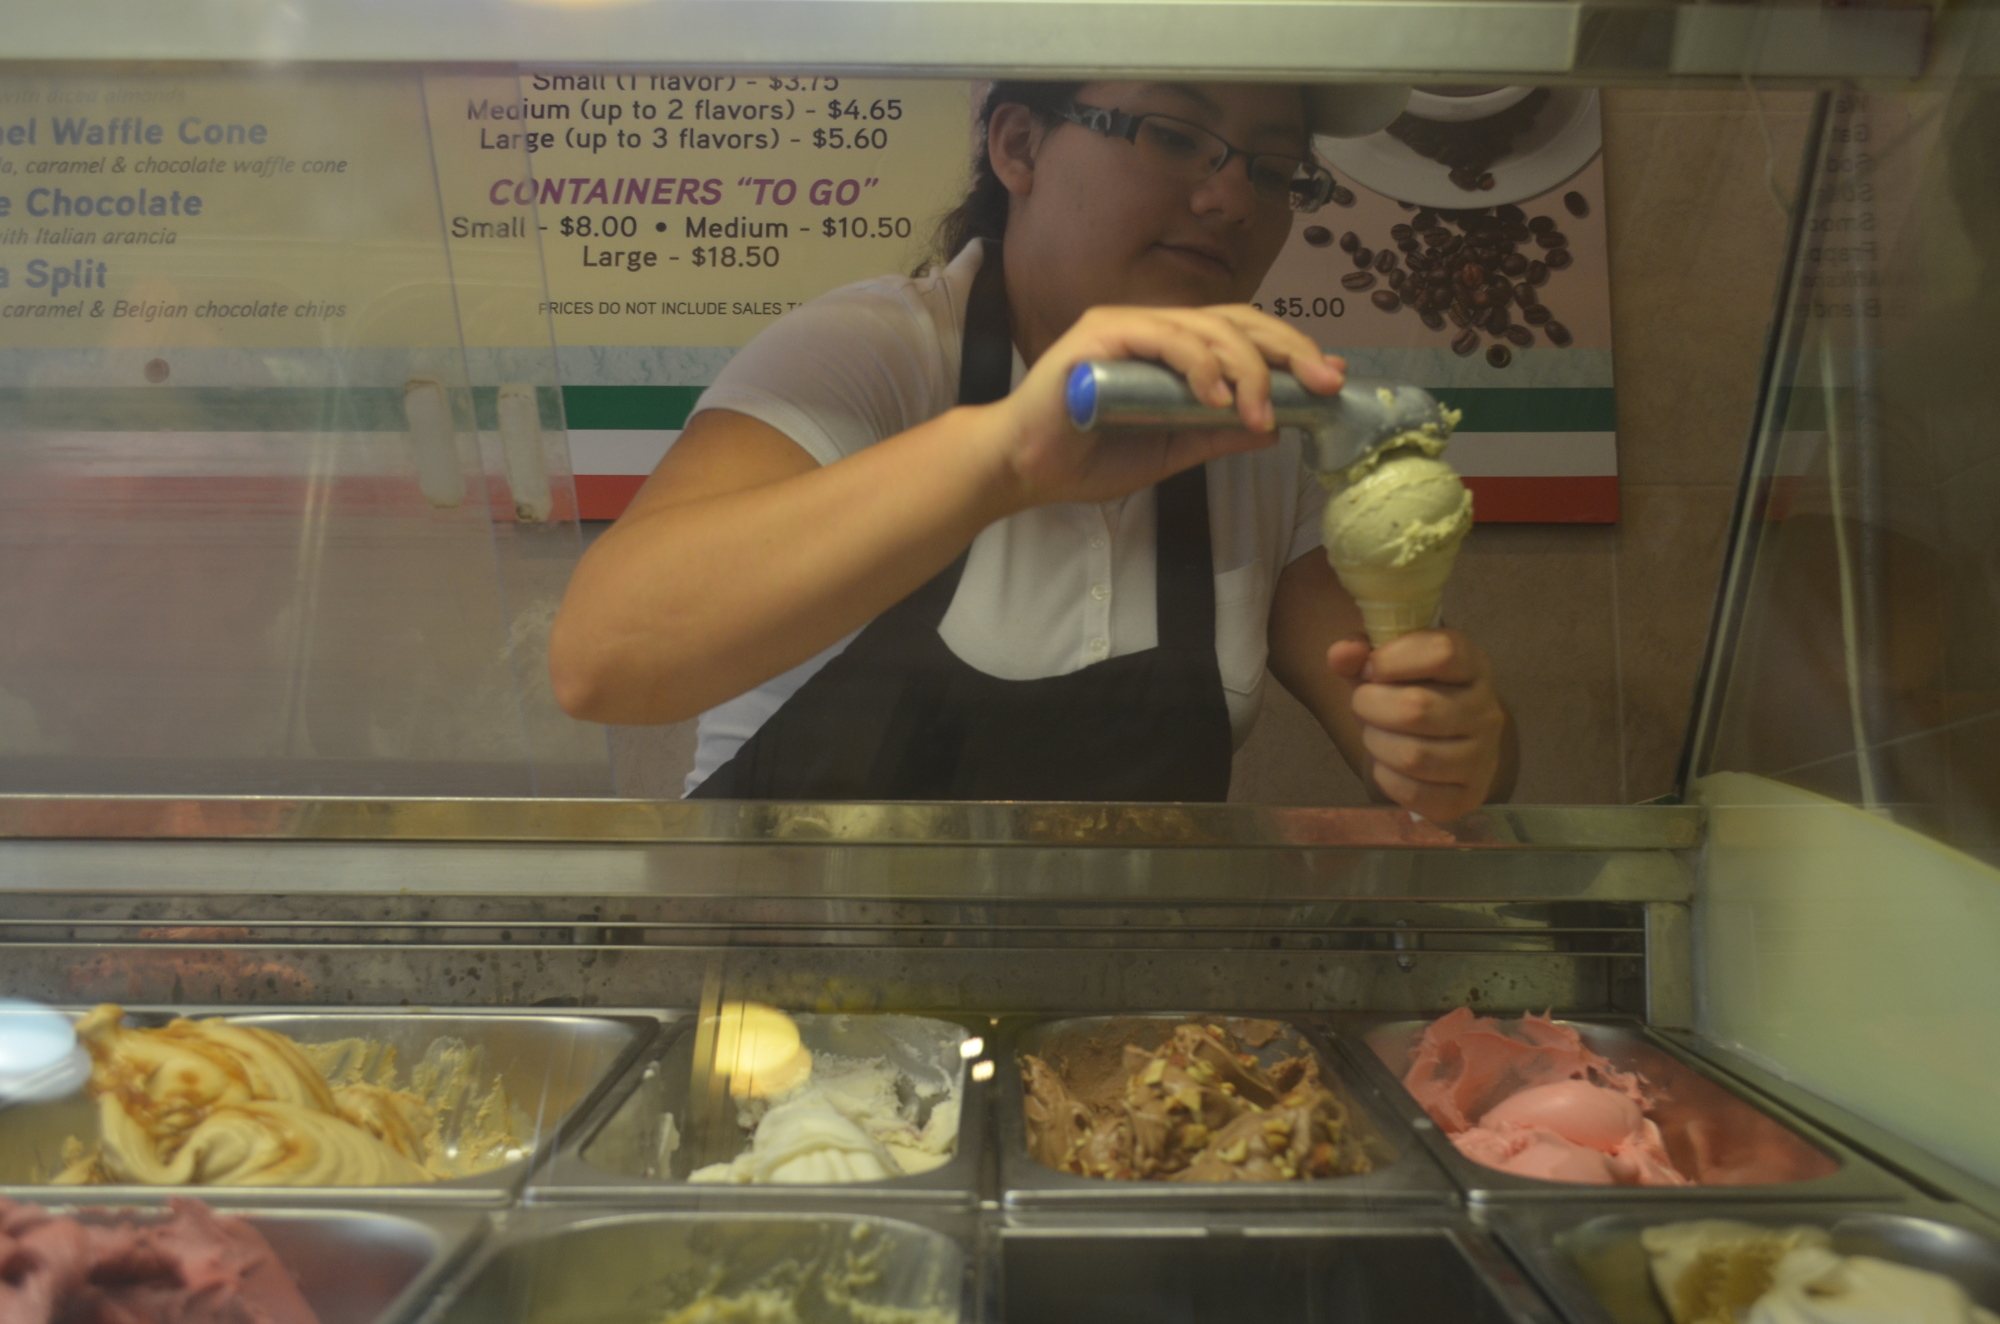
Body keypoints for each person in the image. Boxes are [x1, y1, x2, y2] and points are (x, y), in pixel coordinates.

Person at [551, 80, 1517, 818]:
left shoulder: (1255, 434)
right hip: (801, 1049)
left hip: (1111, 1052)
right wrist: (1006, 453)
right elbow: (602, 661)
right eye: (1175, 136)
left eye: (1273, 170)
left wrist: (1461, 743)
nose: (1233, 199)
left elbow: (1408, 736)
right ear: (1018, 145)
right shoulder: (875, 356)